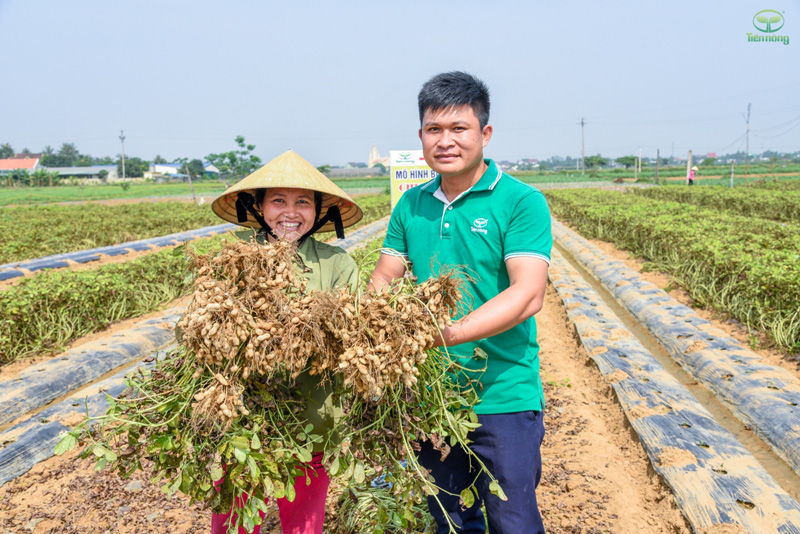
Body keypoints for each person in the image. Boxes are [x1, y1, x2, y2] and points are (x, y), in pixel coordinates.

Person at [369, 72, 552, 534]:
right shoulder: (410, 205)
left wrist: (439, 337)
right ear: (421, 137)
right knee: (451, 518)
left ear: (484, 134)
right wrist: (367, 330)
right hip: (432, 395)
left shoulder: (520, 202)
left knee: (513, 519)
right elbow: (384, 279)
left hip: (503, 393)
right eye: (434, 130)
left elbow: (527, 295)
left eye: (459, 129)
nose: (445, 141)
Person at [209, 150, 364, 534]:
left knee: (304, 525)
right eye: (278, 201)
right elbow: (206, 331)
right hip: (244, 420)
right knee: (234, 523)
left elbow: (353, 337)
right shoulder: (234, 256)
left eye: (302, 203)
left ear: (318, 211)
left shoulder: (337, 264)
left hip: (314, 419)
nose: (290, 212)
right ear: (259, 206)